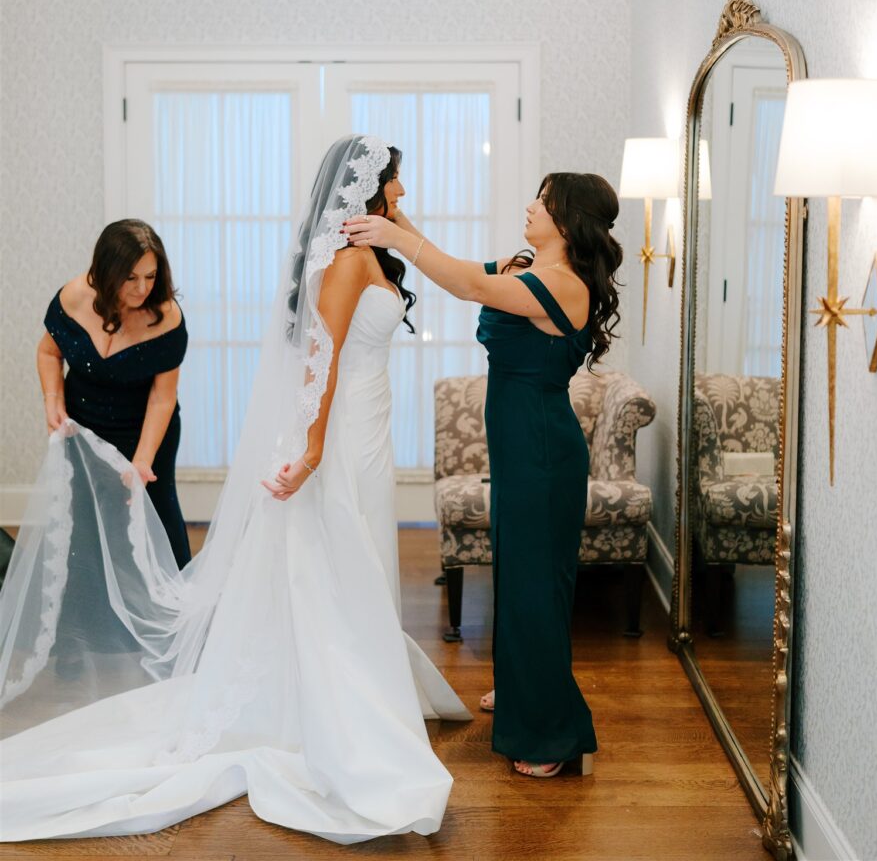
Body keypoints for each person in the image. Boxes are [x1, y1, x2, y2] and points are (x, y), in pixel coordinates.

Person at [0, 135, 469, 844]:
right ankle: (344, 704)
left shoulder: (372, 244)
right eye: (396, 180)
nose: (403, 191)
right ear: (367, 184)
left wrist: (408, 232)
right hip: (340, 433)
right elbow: (321, 357)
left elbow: (429, 270)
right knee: (341, 559)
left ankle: (364, 685)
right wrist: (311, 448)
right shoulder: (345, 262)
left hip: (371, 426)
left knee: (361, 556)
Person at [345, 169, 623, 778]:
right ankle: (524, 688)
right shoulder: (526, 264)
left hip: (543, 453)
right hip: (521, 447)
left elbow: (468, 284)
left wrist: (392, 234)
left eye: (543, 202)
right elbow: (459, 268)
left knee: (536, 585)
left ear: (568, 219)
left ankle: (549, 733)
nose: (529, 206)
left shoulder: (566, 286)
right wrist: (395, 217)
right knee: (520, 573)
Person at [38, 220, 191, 568]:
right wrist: (52, 401)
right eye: (131, 277)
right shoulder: (74, 297)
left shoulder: (165, 317)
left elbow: (162, 397)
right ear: (107, 272)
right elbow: (49, 352)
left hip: (145, 428)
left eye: (151, 276)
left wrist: (142, 460)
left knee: (156, 511)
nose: (142, 289)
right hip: (84, 428)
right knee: (83, 514)